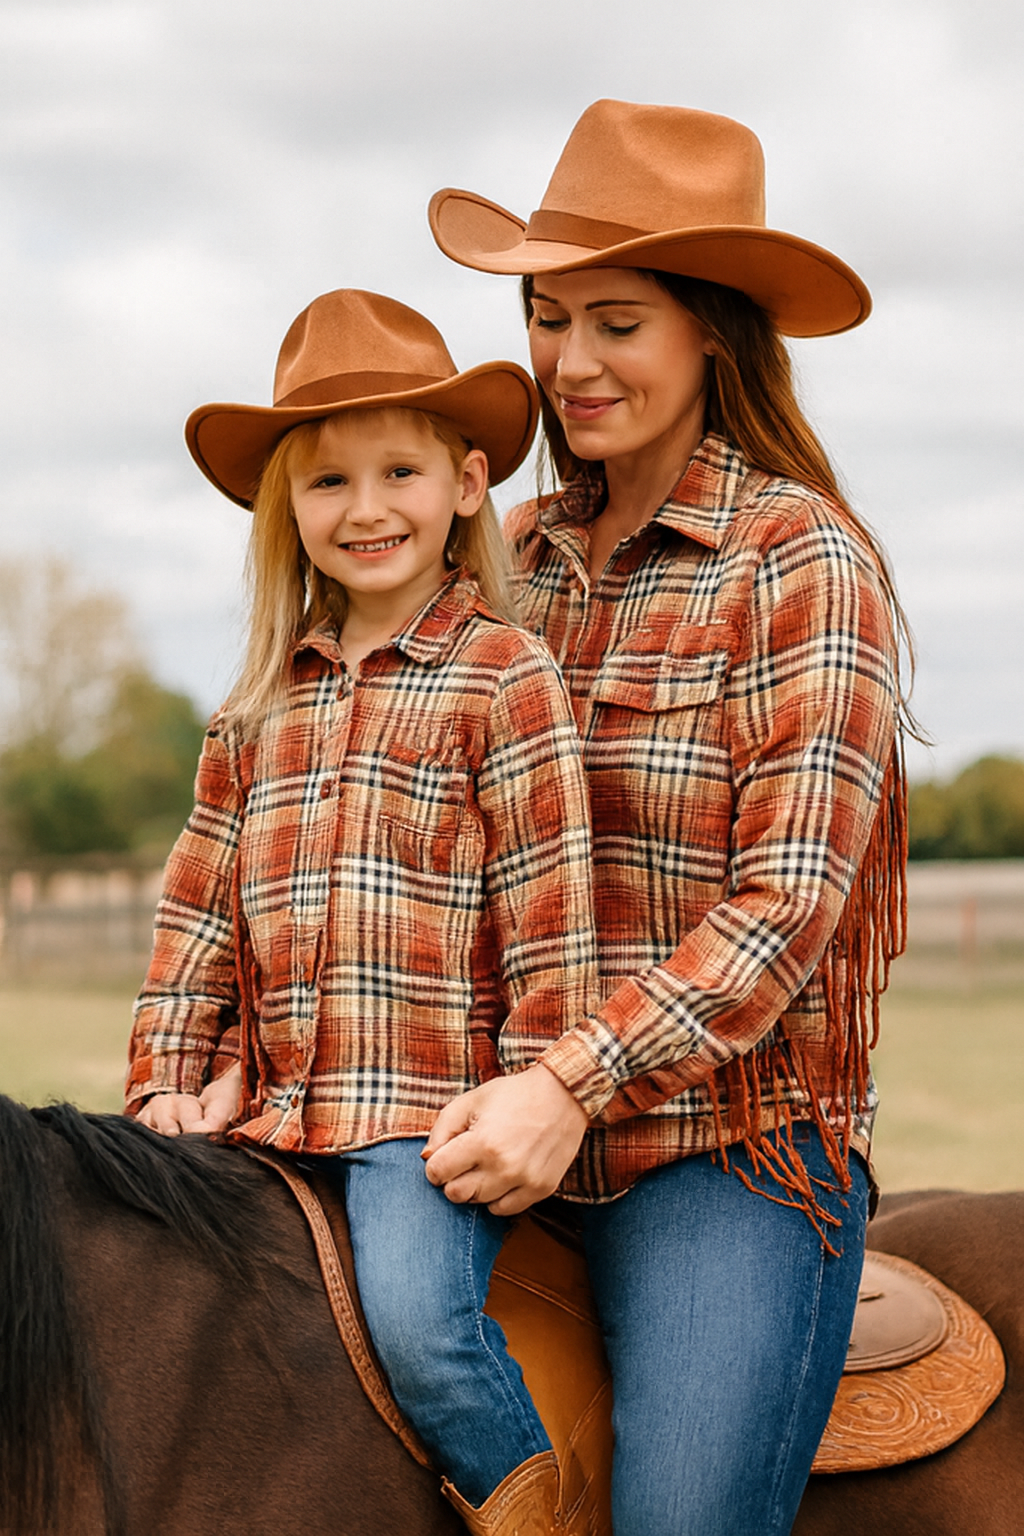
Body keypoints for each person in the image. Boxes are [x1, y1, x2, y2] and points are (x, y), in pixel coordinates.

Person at [424, 101, 911, 1535]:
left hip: (725, 1149)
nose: (569, 362)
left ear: (712, 330)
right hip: (486, 1111)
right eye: (546, 314)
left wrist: (569, 1087)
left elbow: (784, 913)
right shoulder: (512, 553)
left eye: (616, 321)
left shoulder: (799, 560)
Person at [125, 288, 599, 1533]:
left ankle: (533, 1521)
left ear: (466, 482)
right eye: (328, 481)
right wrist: (170, 1081)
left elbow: (552, 929)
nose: (367, 506)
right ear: (289, 508)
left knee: (424, 1332)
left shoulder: (504, 678)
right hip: (269, 1116)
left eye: (399, 469)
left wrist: (525, 1100)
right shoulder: (253, 709)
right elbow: (197, 926)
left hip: (418, 1132)